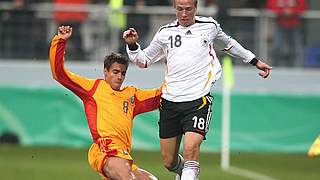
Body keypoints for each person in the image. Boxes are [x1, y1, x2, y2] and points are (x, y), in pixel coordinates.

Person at [123, 0, 272, 179]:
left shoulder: (209, 26)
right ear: (174, 9)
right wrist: (132, 46)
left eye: (188, 9)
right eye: (180, 9)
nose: (184, 14)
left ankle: (190, 172)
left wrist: (254, 61)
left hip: (198, 100)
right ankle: (186, 172)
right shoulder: (165, 33)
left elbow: (230, 44)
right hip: (170, 101)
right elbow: (144, 60)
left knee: (190, 149)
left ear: (195, 8)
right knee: (169, 161)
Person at [49, 25, 161, 180]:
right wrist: (60, 41)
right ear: (105, 72)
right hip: (105, 149)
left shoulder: (132, 95)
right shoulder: (93, 88)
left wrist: (184, 79)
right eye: (115, 72)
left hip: (123, 154)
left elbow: (160, 97)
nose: (120, 77)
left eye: (123, 73)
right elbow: (59, 74)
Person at [266, 0, 307, 67]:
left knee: (295, 48)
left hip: (295, 24)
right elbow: (270, 7)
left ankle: (296, 68)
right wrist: (282, 12)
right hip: (279, 24)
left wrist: (292, 12)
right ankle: (273, 67)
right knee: (277, 46)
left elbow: (302, 7)